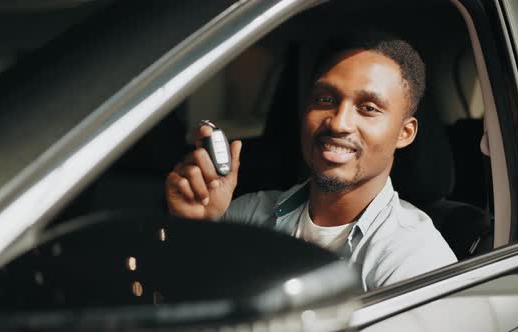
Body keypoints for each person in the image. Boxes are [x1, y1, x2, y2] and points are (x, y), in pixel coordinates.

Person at [165, 31, 457, 291]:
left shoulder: (415, 258)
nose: (339, 123)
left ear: (404, 134)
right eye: (325, 100)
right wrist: (195, 231)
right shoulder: (247, 215)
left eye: (368, 108)